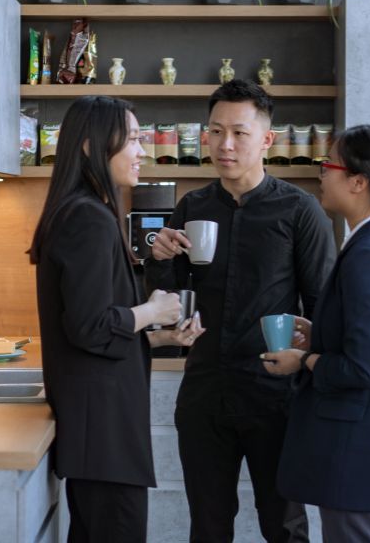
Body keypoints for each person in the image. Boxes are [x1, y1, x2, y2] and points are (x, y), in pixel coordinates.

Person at [144, 79, 336, 542]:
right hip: (205, 393)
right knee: (208, 527)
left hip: (276, 395)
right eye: (215, 131)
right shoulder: (192, 205)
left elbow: (326, 309)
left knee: (285, 526)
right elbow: (169, 306)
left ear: (267, 139)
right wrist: (160, 259)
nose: (224, 144)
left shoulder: (299, 210)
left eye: (239, 132)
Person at [29, 95, 205, 542]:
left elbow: (90, 332)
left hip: (101, 433)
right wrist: (153, 310)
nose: (142, 150)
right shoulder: (88, 218)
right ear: (90, 145)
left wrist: (159, 334)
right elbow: (89, 327)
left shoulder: (84, 211)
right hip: (103, 434)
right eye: (131, 140)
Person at [262, 124, 370, 543]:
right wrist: (320, 333)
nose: (321, 173)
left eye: (328, 165)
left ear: (357, 182)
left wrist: (302, 360)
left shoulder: (369, 255)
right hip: (367, 446)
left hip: (358, 449)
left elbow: (362, 368)